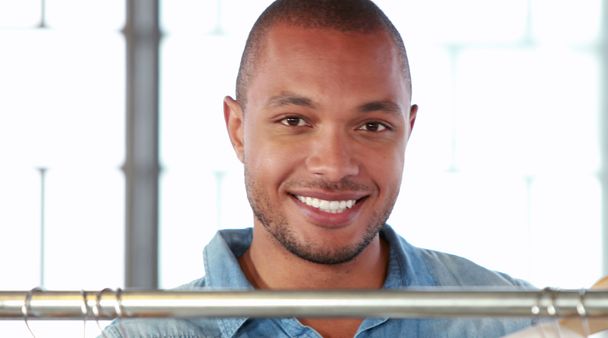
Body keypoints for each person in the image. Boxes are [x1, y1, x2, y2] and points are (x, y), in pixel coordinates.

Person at [103, 0, 535, 337]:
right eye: (294, 121)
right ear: (238, 130)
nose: (334, 166)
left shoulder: (518, 322)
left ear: (407, 132)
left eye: (372, 126)